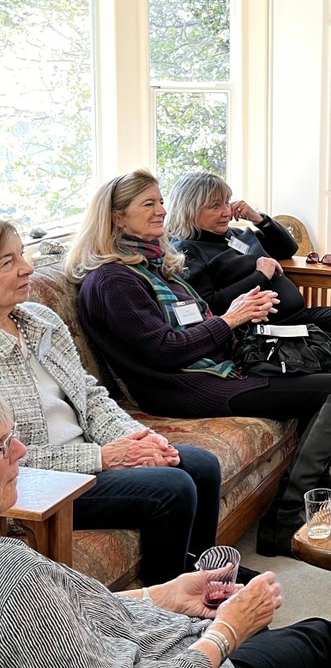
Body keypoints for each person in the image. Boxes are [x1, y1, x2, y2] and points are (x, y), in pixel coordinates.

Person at [66, 170, 331, 556]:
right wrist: (232, 319)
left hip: (220, 364)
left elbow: (200, 319)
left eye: (161, 201)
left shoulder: (155, 264)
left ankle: (313, 478)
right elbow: (164, 349)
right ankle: (286, 517)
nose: (161, 210)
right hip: (182, 386)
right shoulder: (113, 281)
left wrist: (248, 323)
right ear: (117, 218)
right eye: (149, 204)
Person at [0, 397, 331, 668]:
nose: (20, 449)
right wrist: (226, 633)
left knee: (280, 636)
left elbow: (75, 613)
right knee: (318, 638)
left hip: (151, 637)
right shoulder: (16, 579)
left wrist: (162, 594)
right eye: (3, 446)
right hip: (170, 655)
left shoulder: (14, 560)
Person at [0, 220, 220, 585]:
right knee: (173, 488)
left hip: (93, 452)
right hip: (43, 482)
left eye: (23, 254)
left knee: (200, 463)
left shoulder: (38, 320)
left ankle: (203, 577)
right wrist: (103, 458)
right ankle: (169, 603)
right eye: (8, 262)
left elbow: (89, 393)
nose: (27, 267)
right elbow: (12, 456)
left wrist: (140, 440)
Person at [166, 172, 331, 440]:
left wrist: (259, 218)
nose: (226, 211)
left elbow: (287, 248)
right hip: (268, 333)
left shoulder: (236, 234)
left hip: (300, 316)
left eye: (227, 202)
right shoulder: (189, 251)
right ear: (189, 209)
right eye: (215, 206)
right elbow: (210, 305)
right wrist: (260, 276)